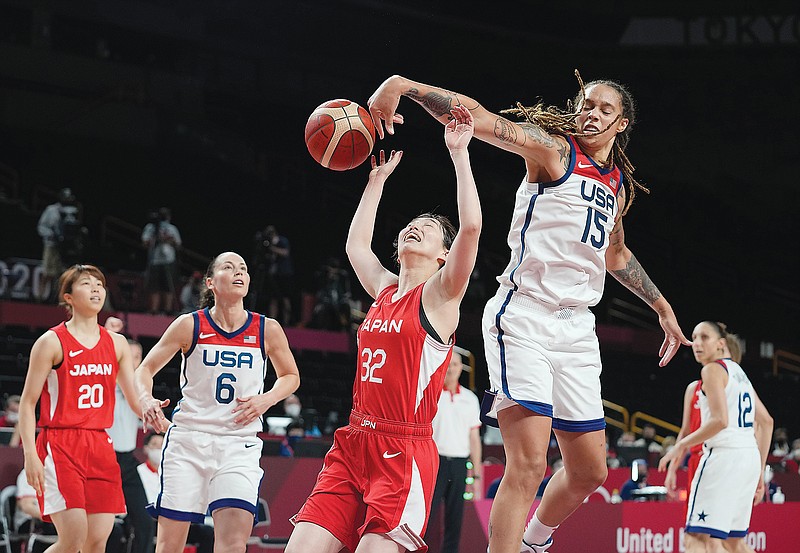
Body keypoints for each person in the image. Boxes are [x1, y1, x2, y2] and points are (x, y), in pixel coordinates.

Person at [367, 72, 691, 553]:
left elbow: (616, 256)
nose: (592, 112)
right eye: (586, 103)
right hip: (524, 316)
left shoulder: (616, 186)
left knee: (589, 471)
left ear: (621, 123)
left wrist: (662, 307)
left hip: (578, 327)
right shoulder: (554, 151)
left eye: (604, 109)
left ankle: (535, 542)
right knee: (529, 463)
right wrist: (404, 87)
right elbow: (477, 118)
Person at [285, 105, 481, 553]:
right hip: (354, 442)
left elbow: (471, 227)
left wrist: (459, 154)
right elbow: (356, 245)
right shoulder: (385, 291)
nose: (414, 228)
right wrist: (375, 182)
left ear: (444, 256)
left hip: (403, 451)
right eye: (410, 227)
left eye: (427, 229)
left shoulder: (440, 297)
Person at [135, 250, 300, 553]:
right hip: (189, 441)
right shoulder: (190, 325)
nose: (239, 272)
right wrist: (146, 399)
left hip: (239, 443)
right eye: (229, 267)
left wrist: (267, 399)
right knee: (169, 545)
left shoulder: (267, 328)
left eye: (243, 267)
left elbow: (290, 376)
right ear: (210, 282)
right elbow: (144, 368)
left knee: (233, 544)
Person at [17, 264, 142, 553]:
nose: (96, 288)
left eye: (100, 284)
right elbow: (27, 403)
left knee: (97, 541)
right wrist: (30, 454)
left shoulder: (117, 343)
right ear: (69, 297)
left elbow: (133, 396)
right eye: (87, 284)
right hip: (61, 443)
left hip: (99, 443)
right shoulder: (50, 342)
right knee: (73, 539)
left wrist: (151, 410)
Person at [658, 321, 773, 553]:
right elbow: (767, 421)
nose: (697, 344)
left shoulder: (711, 370)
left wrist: (679, 445)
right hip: (748, 458)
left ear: (721, 344)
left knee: (696, 539)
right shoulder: (739, 373)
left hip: (723, 457)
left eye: (704, 337)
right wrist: (759, 470)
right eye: (694, 338)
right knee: (733, 542)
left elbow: (720, 421)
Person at [105, 320, 155, 553]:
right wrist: (109, 336)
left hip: (126, 461)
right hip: (104, 458)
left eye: (138, 357)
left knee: (145, 522)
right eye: (130, 355)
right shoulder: (105, 379)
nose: (134, 362)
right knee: (103, 525)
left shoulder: (139, 385)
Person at [428, 348, 483, 553]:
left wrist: (476, 476)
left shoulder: (470, 399)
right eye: (448, 364)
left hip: (460, 464)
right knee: (427, 516)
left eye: (455, 364)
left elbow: (474, 439)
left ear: (462, 368)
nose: (451, 368)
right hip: (435, 462)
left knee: (455, 519)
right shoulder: (431, 394)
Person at [137, 433, 215, 553]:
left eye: (161, 445)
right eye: (154, 445)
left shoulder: (174, 470)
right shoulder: (138, 472)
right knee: (144, 528)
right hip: (149, 520)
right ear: (146, 448)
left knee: (207, 532)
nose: (158, 449)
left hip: (175, 516)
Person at [36, 187, 82, 301]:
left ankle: (58, 299)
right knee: (47, 272)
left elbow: (74, 228)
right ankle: (39, 298)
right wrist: (52, 234)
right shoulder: (51, 210)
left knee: (62, 275)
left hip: (65, 248)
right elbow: (41, 227)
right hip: (51, 245)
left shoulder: (73, 211)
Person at [141, 207, 182, 315]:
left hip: (168, 260)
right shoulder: (150, 228)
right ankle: (154, 310)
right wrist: (155, 238)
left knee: (168, 286)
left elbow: (178, 244)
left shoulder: (172, 228)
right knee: (154, 286)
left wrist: (168, 239)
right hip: (154, 260)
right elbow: (144, 243)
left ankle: (167, 310)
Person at [250, 224, 294, 324]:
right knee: (273, 298)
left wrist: (271, 248)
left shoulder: (282, 241)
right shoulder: (267, 243)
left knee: (285, 298)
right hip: (274, 274)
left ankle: (287, 322)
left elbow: (286, 252)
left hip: (284, 274)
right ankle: (273, 321)